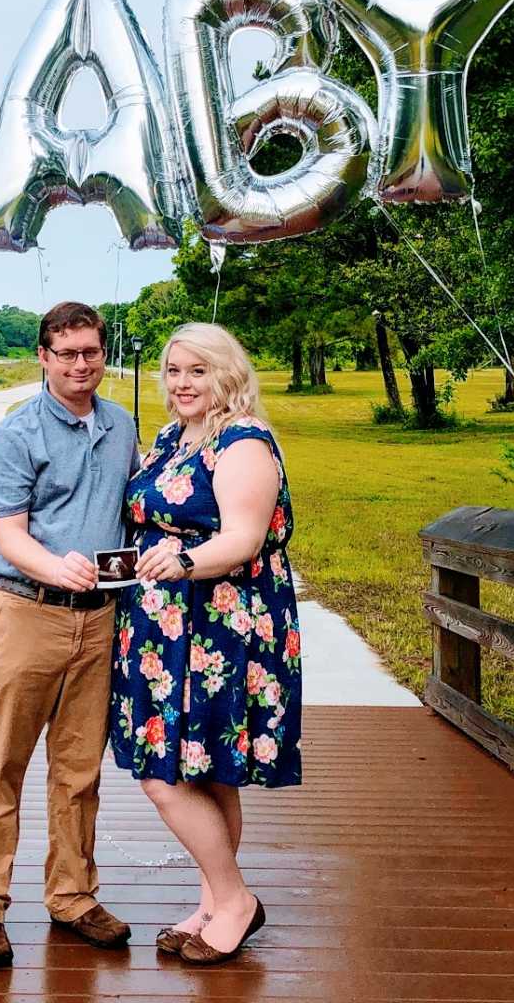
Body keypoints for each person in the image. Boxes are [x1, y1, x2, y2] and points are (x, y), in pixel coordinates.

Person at [110, 322, 302, 966]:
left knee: (171, 774)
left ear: (228, 373)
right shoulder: (171, 437)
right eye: (173, 371)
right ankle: (214, 905)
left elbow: (243, 539)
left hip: (222, 629)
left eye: (197, 370)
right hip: (164, 627)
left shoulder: (244, 441)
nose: (182, 383)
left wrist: (185, 562)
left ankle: (236, 899)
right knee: (206, 772)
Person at [0, 301, 140, 968]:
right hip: (24, 608)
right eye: (66, 354)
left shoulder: (122, 426)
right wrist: (53, 564)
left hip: (97, 621)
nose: (80, 365)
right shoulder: (18, 432)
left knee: (79, 770)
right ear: (43, 357)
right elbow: (10, 532)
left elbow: (131, 510)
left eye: (91, 352)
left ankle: (72, 895)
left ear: (102, 352)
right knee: (0, 767)